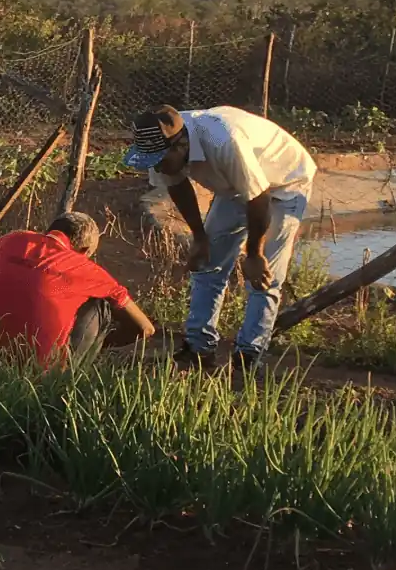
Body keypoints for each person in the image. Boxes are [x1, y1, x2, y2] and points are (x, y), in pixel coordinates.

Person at [123, 104, 316, 370]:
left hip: (285, 182)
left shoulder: (224, 140)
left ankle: (249, 356)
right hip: (237, 185)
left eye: (160, 161)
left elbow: (259, 198)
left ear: (180, 146)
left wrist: (254, 253)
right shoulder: (161, 147)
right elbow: (177, 185)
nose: (156, 167)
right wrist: (199, 237)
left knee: (263, 275)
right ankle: (199, 349)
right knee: (208, 264)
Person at [0, 211, 157, 364]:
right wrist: (100, 345)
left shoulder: (13, 240)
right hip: (41, 372)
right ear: (86, 250)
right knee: (101, 305)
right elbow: (145, 328)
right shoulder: (90, 270)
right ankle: (71, 368)